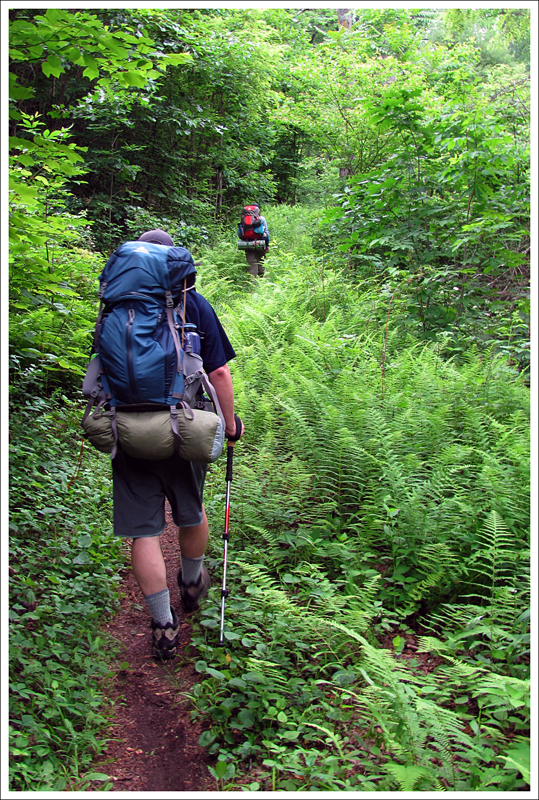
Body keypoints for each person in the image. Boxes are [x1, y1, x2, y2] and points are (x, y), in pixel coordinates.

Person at [111, 228, 244, 659]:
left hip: (128, 428)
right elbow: (218, 372)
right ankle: (190, 583)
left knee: (143, 531)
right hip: (184, 425)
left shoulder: (115, 304)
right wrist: (229, 424)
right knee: (191, 509)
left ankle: (163, 625)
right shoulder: (192, 302)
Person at [238, 203, 270, 278]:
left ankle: (253, 281)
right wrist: (267, 244)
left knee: (252, 263)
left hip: (248, 243)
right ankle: (261, 279)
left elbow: (240, 233)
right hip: (260, 243)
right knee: (261, 261)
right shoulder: (261, 218)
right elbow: (266, 233)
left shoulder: (244, 219)